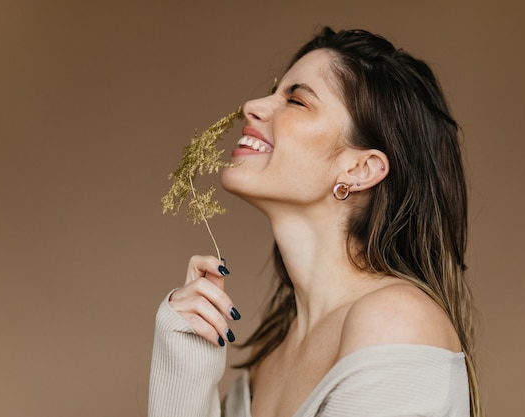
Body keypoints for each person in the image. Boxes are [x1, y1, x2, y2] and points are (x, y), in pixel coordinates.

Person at [149, 27, 482, 417]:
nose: (250, 106)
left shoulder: (394, 321)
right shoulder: (267, 354)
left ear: (359, 169)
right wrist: (185, 362)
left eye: (296, 100)